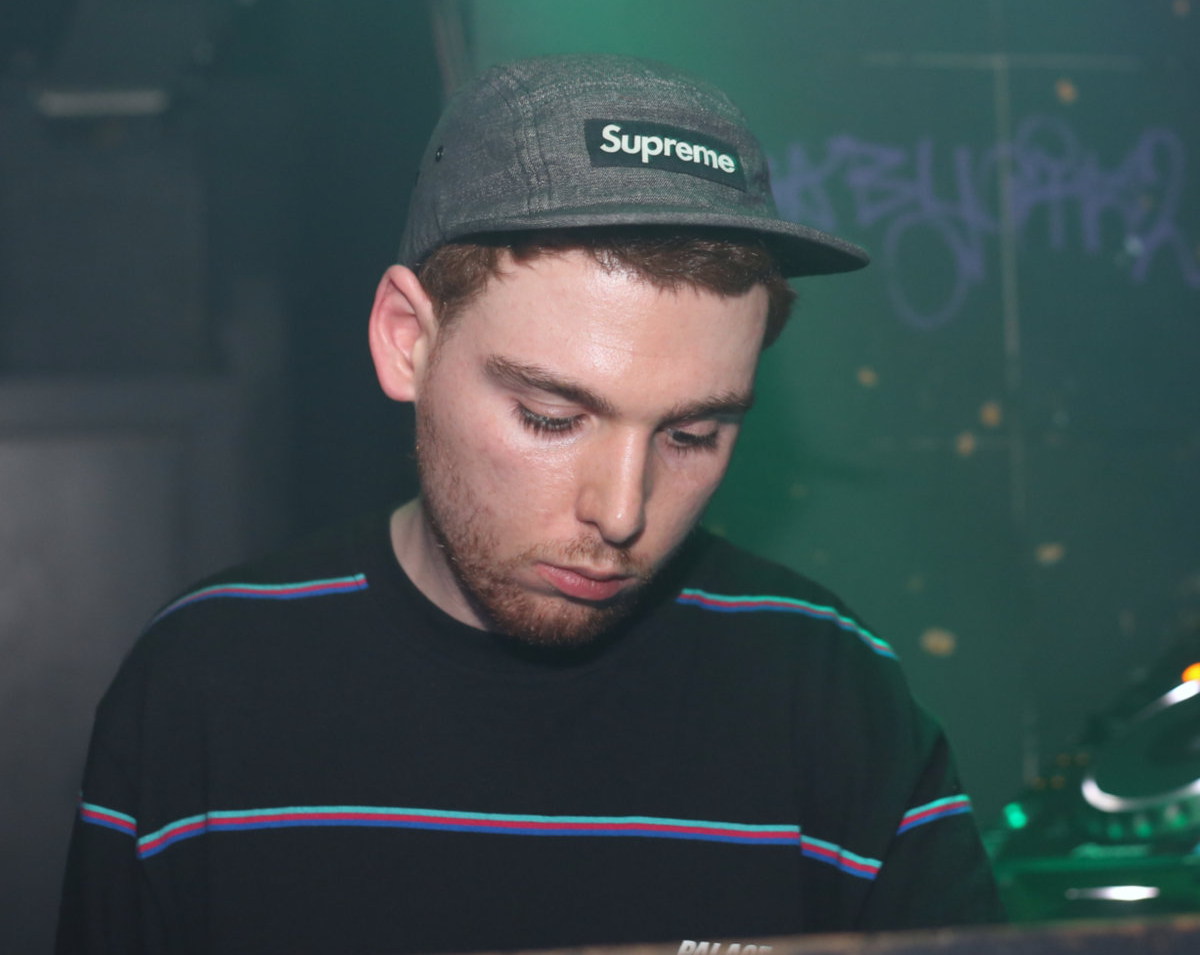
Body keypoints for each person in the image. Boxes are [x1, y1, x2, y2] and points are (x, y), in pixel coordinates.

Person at [57, 54, 1003, 954]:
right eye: (553, 418)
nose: (622, 514)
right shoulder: (206, 686)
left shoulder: (830, 695)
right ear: (406, 340)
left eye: (692, 434)